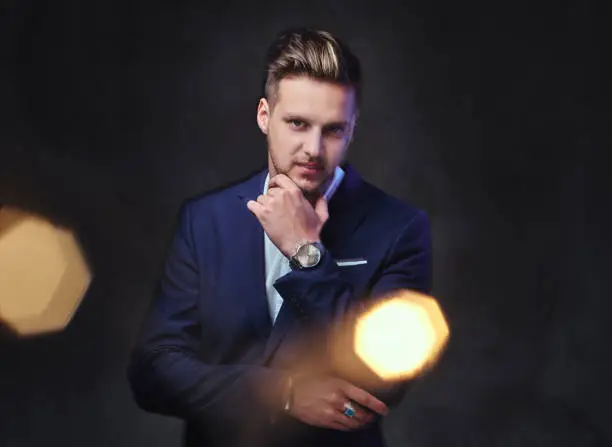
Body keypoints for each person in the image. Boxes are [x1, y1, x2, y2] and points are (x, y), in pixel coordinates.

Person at [127, 28, 432, 447]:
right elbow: (153, 373)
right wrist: (283, 392)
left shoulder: (399, 228)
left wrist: (307, 252)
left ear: (353, 129)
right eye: (297, 123)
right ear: (264, 116)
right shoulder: (205, 219)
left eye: (333, 130)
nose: (313, 149)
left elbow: (385, 380)